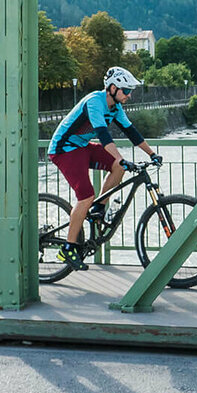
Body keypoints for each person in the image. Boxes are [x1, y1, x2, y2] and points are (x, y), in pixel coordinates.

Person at [47, 65, 162, 270]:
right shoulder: (94, 102)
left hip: (81, 147)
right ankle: (68, 247)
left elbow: (132, 132)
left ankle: (98, 208)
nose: (128, 95)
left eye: (130, 91)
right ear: (112, 88)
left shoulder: (115, 108)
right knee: (85, 195)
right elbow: (103, 135)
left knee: (118, 167)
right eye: (126, 91)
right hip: (64, 150)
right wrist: (120, 157)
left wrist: (152, 154)